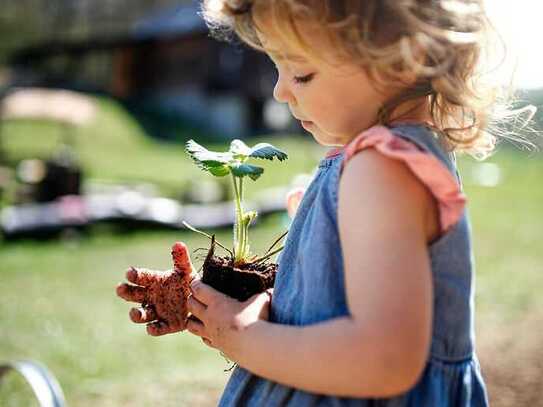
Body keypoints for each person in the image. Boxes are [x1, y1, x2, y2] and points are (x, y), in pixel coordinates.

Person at [117, 0, 538, 405]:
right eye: (277, 67)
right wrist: (212, 304)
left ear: (399, 57)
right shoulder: (382, 161)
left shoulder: (382, 169)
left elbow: (383, 360)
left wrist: (244, 338)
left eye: (301, 74)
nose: (281, 91)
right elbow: (327, 304)